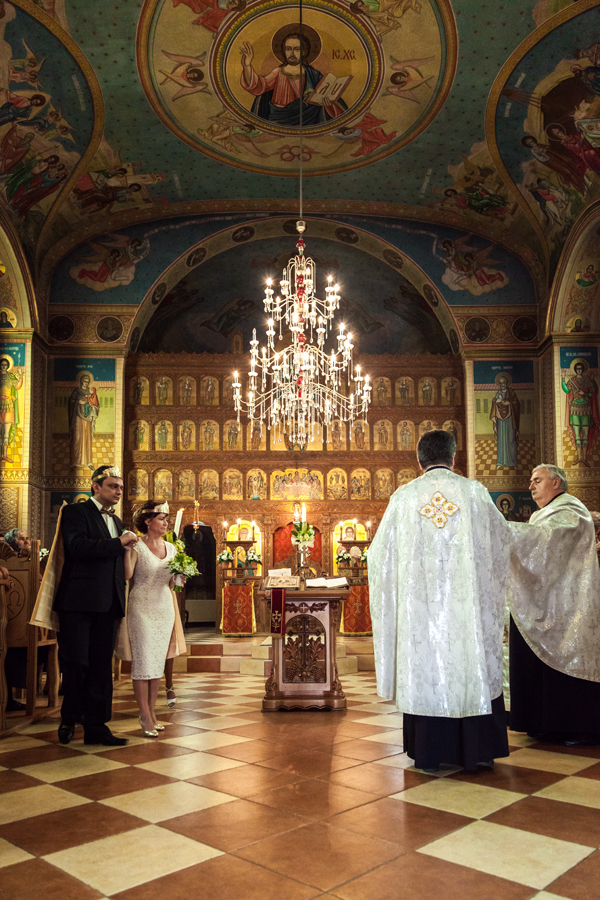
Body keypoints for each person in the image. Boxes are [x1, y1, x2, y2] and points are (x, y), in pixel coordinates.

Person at [368, 429, 511, 772]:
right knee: (469, 659)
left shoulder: (403, 497)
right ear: (454, 457)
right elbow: (502, 541)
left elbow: (379, 556)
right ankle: (476, 749)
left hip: (421, 615)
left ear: (419, 460)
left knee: (425, 664)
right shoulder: (474, 492)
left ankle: (429, 750)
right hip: (467, 614)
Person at [508, 464, 600, 744]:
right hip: (546, 602)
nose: (531, 486)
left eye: (537, 480)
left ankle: (574, 727)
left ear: (556, 482)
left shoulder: (571, 511)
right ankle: (542, 723)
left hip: (568, 607)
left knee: (567, 662)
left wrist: (504, 530)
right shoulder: (544, 513)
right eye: (531, 481)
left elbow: (546, 543)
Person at [51, 466, 138, 745]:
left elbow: (120, 564)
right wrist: (117, 543)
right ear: (96, 487)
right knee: (76, 663)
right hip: (78, 601)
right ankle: (69, 718)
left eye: (120, 487)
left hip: (109, 602)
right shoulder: (76, 513)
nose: (118, 491)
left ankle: (97, 727)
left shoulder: (119, 522)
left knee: (101, 667)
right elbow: (78, 547)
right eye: (113, 486)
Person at [123, 501, 185, 737]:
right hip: (141, 607)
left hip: (165, 607)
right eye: (161, 518)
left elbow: (171, 583)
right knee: (143, 662)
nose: (166, 523)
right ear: (148, 522)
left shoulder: (172, 548)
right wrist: (127, 549)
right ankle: (144, 714)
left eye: (167, 519)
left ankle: (153, 713)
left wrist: (180, 577)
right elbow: (128, 575)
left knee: (157, 663)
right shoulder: (137, 546)